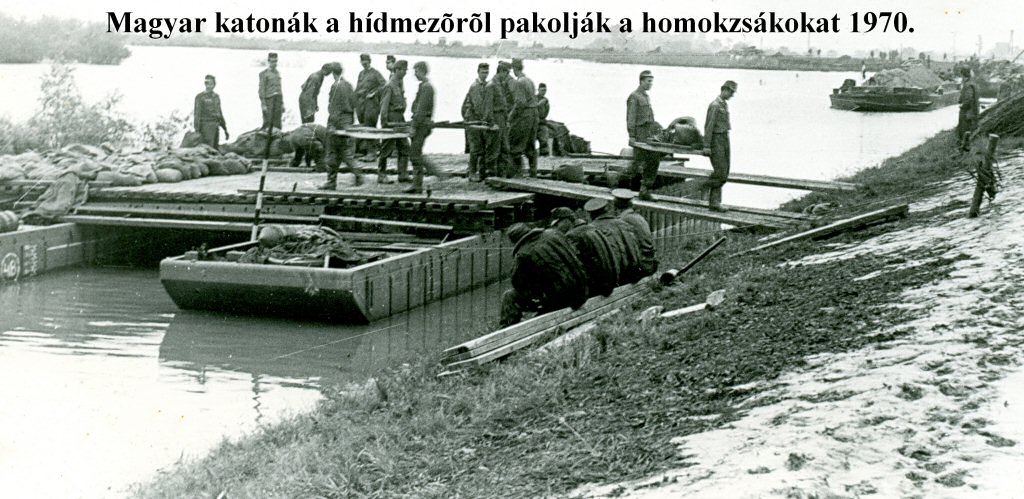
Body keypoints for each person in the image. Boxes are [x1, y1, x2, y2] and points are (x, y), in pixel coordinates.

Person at [499, 223, 589, 327]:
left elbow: (517, 282)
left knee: (509, 296)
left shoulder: (522, 253)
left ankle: (506, 328)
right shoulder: (554, 234)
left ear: (515, 241)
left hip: (562, 300)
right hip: (582, 290)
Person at [551, 207, 618, 298]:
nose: (556, 228)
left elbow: (576, 266)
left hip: (596, 288)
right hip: (610, 282)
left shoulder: (572, 235)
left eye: (557, 224)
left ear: (566, 220)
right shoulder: (591, 228)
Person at [586, 197, 644, 287]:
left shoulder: (592, 229)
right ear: (606, 209)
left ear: (590, 214)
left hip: (613, 278)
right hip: (633, 273)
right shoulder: (623, 223)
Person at [321, 64, 362, 189]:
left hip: (337, 122)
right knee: (344, 151)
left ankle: (331, 181)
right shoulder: (348, 85)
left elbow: (334, 107)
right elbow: (354, 103)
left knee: (332, 152)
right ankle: (357, 173)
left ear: (333, 73)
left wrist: (332, 125)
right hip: (347, 121)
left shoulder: (335, 86)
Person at [626, 70, 664, 201]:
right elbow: (630, 118)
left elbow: (650, 117)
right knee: (637, 163)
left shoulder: (646, 97)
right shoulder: (634, 97)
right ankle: (624, 189)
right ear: (641, 81)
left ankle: (645, 191)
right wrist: (632, 135)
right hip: (639, 135)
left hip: (648, 134)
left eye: (651, 82)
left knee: (653, 160)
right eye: (648, 81)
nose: (650, 84)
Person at [702, 80, 736, 212]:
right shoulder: (715, 105)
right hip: (716, 140)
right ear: (724, 90)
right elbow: (709, 126)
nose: (732, 95)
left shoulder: (724, 104)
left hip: (724, 138)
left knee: (725, 171)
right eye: (731, 92)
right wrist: (707, 146)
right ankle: (711, 196)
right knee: (720, 171)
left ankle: (715, 202)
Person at [406, 61, 439, 193]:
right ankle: (418, 183)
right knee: (416, 153)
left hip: (421, 126)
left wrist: (413, 127)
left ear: (422, 71)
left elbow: (421, 110)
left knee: (414, 154)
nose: (415, 74)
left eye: (416, 71)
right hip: (422, 124)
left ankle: (419, 184)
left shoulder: (426, 87)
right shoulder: (424, 86)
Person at [377, 60, 410, 184]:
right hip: (391, 120)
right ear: (397, 70)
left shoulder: (399, 85)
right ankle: (381, 174)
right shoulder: (389, 86)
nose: (405, 73)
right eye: (403, 70)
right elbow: (384, 106)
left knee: (404, 147)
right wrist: (384, 123)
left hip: (400, 119)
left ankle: (403, 174)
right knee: (386, 147)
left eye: (406, 70)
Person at [612, 189, 658, 276]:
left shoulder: (622, 221)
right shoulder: (639, 217)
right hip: (650, 262)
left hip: (640, 266)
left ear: (616, 207)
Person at [508, 58, 540, 177]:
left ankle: (516, 173)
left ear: (514, 69)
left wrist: (510, 117)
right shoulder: (529, 80)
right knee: (531, 144)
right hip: (534, 114)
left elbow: (520, 103)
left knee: (516, 142)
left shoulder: (519, 82)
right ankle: (533, 172)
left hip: (525, 116)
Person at [461, 62, 491, 181]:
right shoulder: (475, 87)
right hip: (473, 120)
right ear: (478, 72)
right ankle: (472, 173)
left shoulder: (486, 85)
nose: (485, 75)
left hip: (479, 120)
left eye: (486, 72)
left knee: (482, 146)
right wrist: (485, 119)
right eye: (483, 72)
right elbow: (478, 106)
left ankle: (480, 172)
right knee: (475, 147)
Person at [355, 53, 387, 158]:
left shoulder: (375, 73)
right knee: (363, 126)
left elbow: (384, 85)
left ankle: (372, 153)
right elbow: (357, 88)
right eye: (362, 62)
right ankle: (365, 150)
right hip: (361, 104)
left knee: (370, 126)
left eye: (366, 62)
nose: (364, 64)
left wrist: (374, 93)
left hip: (371, 105)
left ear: (369, 62)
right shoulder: (360, 74)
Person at [486, 61, 514, 178]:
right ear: (501, 72)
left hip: (502, 118)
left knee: (504, 147)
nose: (507, 76)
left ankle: (502, 174)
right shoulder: (491, 85)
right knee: (494, 148)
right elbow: (488, 106)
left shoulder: (501, 84)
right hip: (496, 118)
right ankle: (491, 175)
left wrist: (506, 120)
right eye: (506, 73)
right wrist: (491, 122)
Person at [193, 75, 228, 149]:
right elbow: (197, 115)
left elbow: (220, 113)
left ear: (214, 84)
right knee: (207, 149)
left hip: (215, 126)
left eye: (210, 83)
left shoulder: (216, 97)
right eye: (206, 83)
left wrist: (225, 129)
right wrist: (197, 131)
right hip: (205, 127)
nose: (208, 86)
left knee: (215, 149)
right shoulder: (200, 97)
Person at [258, 52, 283, 130]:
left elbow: (279, 88)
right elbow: (261, 90)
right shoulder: (263, 74)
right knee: (268, 123)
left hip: (278, 100)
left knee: (277, 123)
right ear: (268, 61)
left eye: (276, 61)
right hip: (269, 100)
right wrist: (263, 104)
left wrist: (282, 103)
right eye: (272, 61)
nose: (274, 63)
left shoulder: (277, 73)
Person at [957, 66, 980, 151]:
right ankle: (966, 146)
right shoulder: (973, 83)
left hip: (967, 112)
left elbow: (969, 99)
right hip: (973, 110)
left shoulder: (968, 85)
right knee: (969, 128)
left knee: (964, 129)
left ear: (963, 75)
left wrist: (962, 105)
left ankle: (965, 147)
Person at [536, 83, 551, 156]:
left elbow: (546, 111)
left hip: (542, 122)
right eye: (542, 90)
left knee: (544, 139)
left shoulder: (546, 101)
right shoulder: (534, 98)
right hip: (534, 121)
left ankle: (544, 154)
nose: (544, 92)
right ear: (538, 90)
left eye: (545, 90)